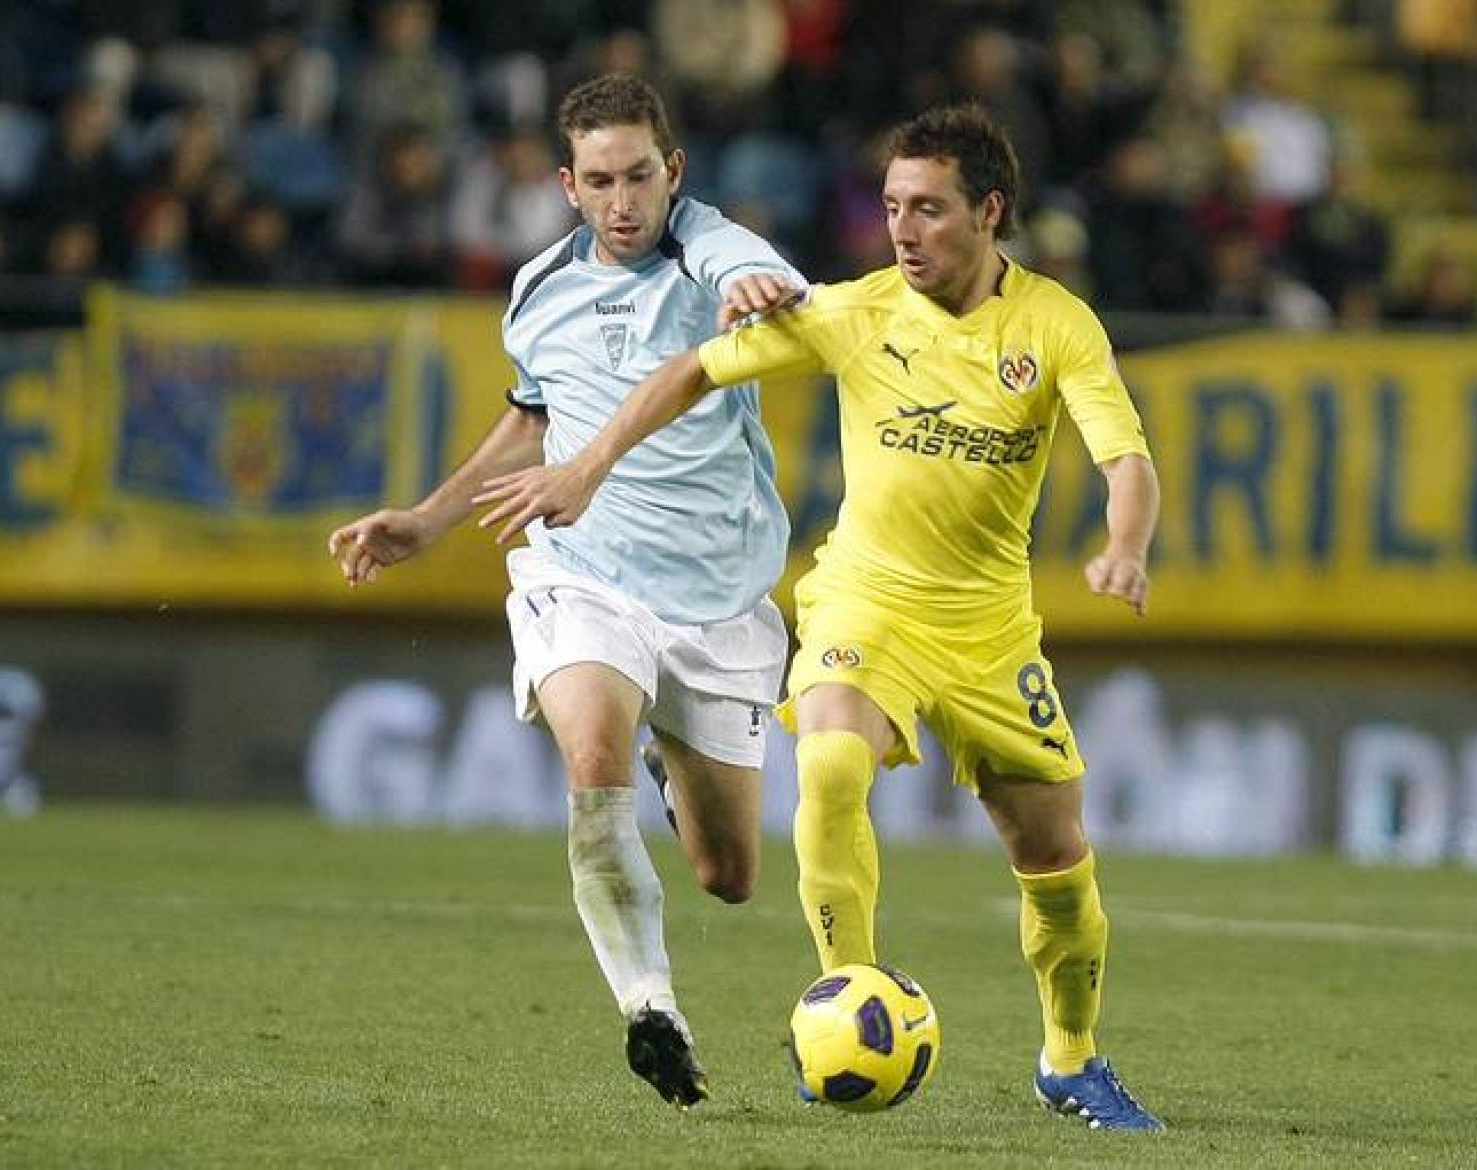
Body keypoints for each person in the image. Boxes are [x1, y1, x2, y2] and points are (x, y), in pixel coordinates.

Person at [476, 104, 1165, 1131]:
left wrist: (1122, 544)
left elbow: (1127, 460)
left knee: (1057, 864)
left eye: (928, 210)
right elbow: (690, 371)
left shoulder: (1055, 326)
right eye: (891, 207)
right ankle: (846, 1001)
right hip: (861, 599)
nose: (903, 230)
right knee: (834, 761)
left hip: (987, 629)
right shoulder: (856, 311)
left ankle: (1069, 1061)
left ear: (989, 212)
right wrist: (584, 464)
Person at [328, 73, 804, 1108]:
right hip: (585, 575)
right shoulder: (539, 286)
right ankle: (651, 1010)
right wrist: (429, 517)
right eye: (600, 181)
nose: (624, 201)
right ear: (567, 185)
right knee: (591, 760)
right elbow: (533, 418)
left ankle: (675, 775)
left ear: (674, 171)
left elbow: (761, 281)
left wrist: (756, 290)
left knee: (729, 877)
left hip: (719, 598)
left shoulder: (713, 250)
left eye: (641, 175)